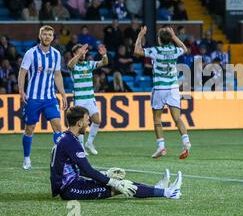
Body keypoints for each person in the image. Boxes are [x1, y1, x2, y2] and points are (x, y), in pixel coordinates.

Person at [50, 106, 183, 200]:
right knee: (122, 186)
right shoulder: (71, 142)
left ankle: (159, 189)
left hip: (72, 185)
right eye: (86, 119)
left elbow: (79, 170)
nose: (88, 122)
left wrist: (106, 174)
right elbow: (88, 171)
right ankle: (168, 192)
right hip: (71, 190)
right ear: (79, 123)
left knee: (122, 183)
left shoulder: (66, 138)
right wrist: (112, 182)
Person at [134, 26, 192, 159]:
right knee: (177, 118)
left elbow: (137, 50)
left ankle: (161, 147)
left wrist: (140, 35)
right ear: (170, 39)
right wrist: (175, 36)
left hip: (160, 88)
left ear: (159, 40)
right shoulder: (174, 50)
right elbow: (185, 49)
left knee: (157, 119)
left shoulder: (156, 50)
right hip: (173, 88)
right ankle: (186, 142)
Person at [18, 25, 67, 170]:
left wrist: (63, 94)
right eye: (44, 34)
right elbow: (22, 72)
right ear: (40, 36)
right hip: (33, 98)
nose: (47, 37)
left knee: (58, 126)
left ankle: (59, 160)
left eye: (50, 35)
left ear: (53, 37)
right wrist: (21, 91)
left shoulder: (56, 54)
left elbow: (57, 75)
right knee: (29, 129)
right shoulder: (31, 53)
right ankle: (27, 158)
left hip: (50, 97)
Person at [67, 43, 109, 155]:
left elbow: (104, 62)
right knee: (80, 124)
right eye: (80, 51)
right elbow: (69, 65)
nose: (83, 53)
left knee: (97, 120)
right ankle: (81, 148)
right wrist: (78, 54)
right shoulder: (74, 66)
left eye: (84, 52)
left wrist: (104, 55)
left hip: (90, 98)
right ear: (74, 54)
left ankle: (89, 143)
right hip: (79, 99)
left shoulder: (89, 64)